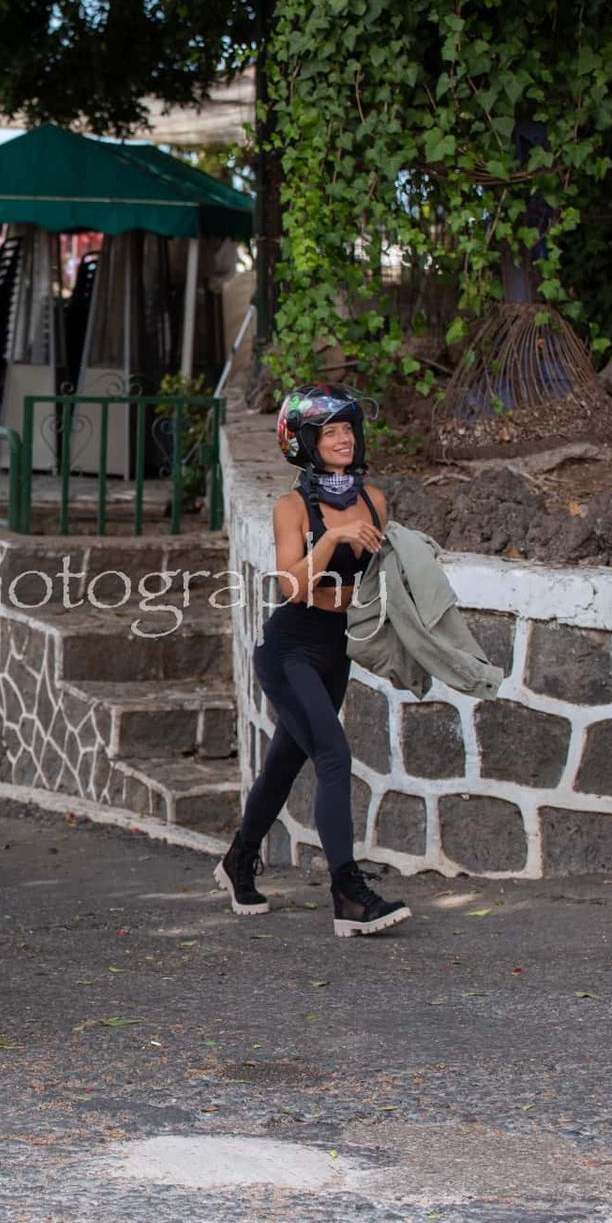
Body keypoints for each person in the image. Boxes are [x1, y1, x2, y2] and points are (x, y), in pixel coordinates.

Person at [214, 385, 409, 938]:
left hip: (336, 648)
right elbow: (293, 585)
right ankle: (347, 893)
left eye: (348, 428)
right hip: (290, 648)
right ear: (305, 443)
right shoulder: (292, 507)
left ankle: (238, 858)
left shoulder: (374, 499)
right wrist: (334, 538)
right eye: (330, 431)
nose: (344, 438)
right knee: (333, 755)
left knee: (283, 763)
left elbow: (379, 578)